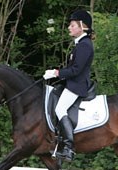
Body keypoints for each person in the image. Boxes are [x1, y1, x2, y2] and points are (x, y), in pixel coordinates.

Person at [43, 10, 95, 162]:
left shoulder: (84, 45)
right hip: (71, 83)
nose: (69, 28)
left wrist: (56, 73)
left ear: (82, 27)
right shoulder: (80, 44)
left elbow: (76, 70)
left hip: (77, 85)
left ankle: (68, 147)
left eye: (72, 25)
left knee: (60, 109)